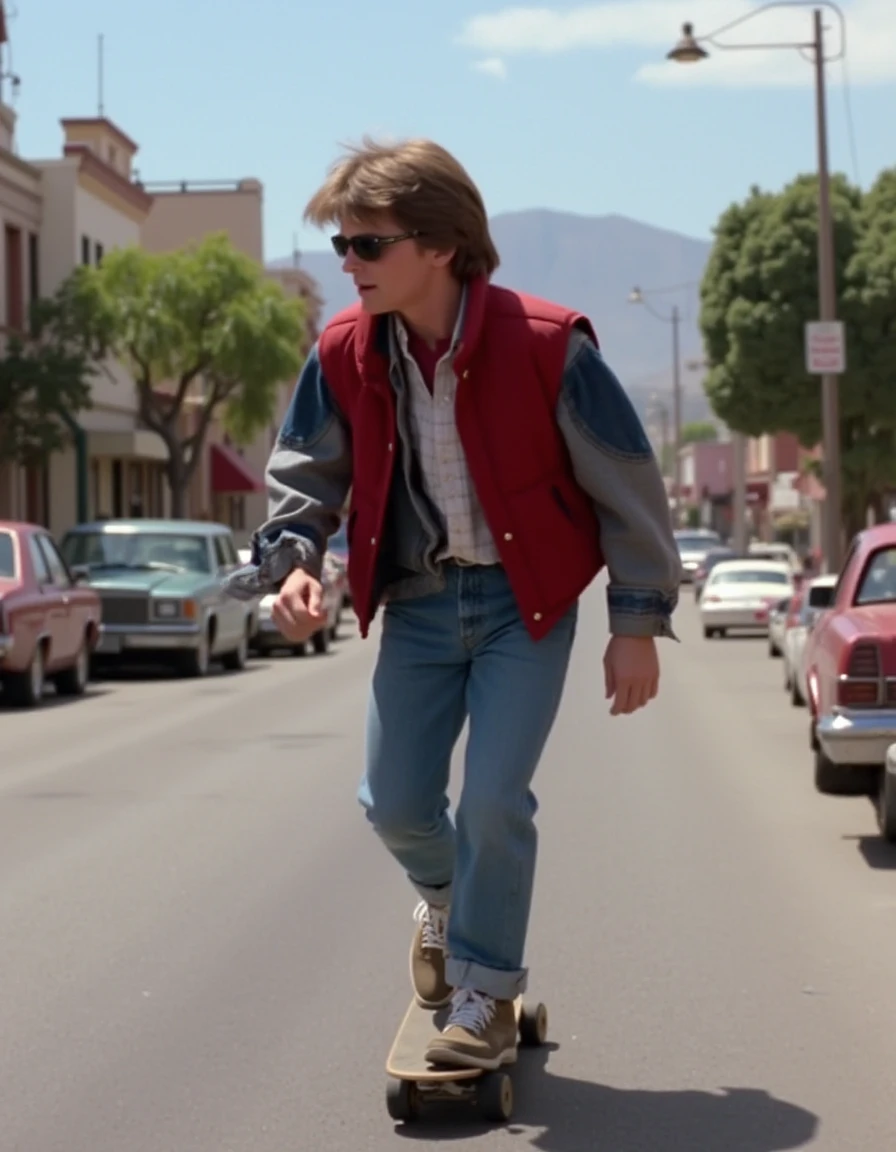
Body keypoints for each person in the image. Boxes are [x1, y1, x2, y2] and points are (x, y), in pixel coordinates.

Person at [226, 138, 682, 1072]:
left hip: (527, 608)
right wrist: (293, 566)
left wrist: (634, 625)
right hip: (422, 603)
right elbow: (305, 474)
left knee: (493, 801)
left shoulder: (551, 345)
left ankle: (482, 994)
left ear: (438, 244)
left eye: (366, 245)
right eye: (342, 244)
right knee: (392, 803)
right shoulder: (345, 351)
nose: (345, 263)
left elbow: (629, 491)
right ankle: (445, 899)